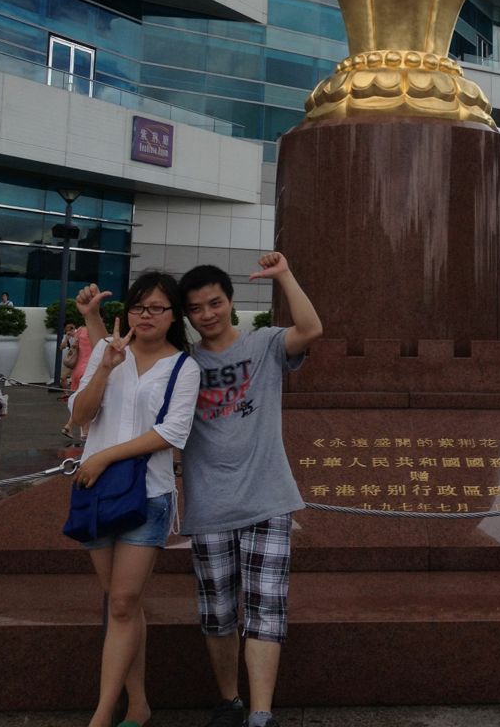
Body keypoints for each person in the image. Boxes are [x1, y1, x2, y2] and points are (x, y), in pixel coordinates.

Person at [178, 252, 323, 727]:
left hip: (268, 499)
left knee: (265, 609)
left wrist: (285, 274)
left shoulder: (265, 345)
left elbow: (311, 329)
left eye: (215, 302)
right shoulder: (183, 365)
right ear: (188, 315)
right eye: (197, 308)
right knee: (218, 612)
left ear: (230, 301)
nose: (208, 314)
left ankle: (261, 713)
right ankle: (229, 700)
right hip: (209, 505)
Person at [70, 272, 200, 727]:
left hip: (149, 494)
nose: (146, 316)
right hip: (98, 493)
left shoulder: (184, 366)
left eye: (157, 308)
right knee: (122, 603)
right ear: (127, 311)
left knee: (123, 602)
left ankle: (103, 714)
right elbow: (79, 417)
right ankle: (139, 705)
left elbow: (171, 432)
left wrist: (104, 456)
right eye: (139, 307)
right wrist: (105, 365)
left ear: (173, 315)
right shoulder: (110, 353)